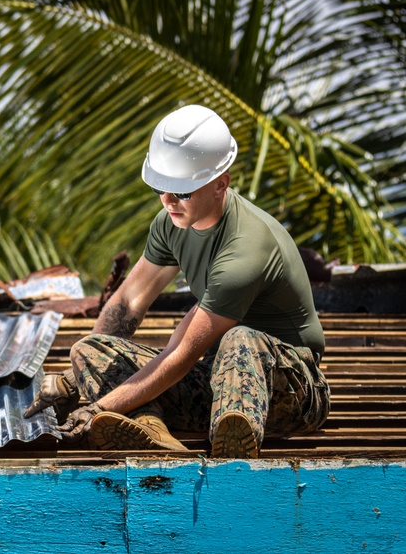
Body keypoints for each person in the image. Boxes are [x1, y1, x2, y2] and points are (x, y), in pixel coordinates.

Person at [23, 104, 330, 459]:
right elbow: (127, 304)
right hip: (217, 379)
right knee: (88, 350)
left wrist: (97, 409)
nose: (168, 201)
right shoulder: (171, 222)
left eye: (181, 192)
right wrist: (73, 378)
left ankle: (231, 443)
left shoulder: (247, 248)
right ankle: (151, 430)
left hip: (293, 392)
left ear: (220, 185)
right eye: (160, 187)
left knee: (239, 339)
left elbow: (182, 354)